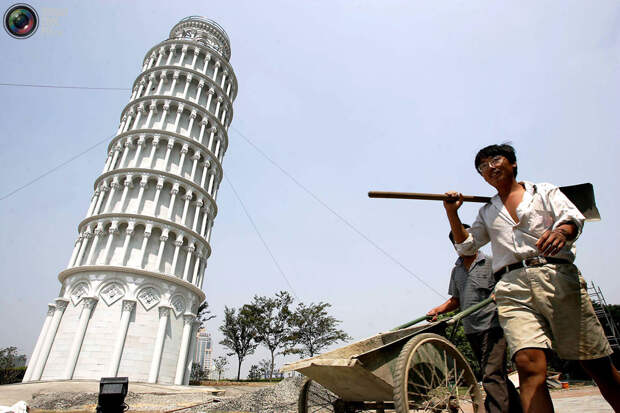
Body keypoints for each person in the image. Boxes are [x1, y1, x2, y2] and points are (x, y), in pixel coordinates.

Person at [443, 143, 620, 412]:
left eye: (495, 160)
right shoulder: (487, 211)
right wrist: (452, 213)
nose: (489, 168)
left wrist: (562, 232)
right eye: (482, 167)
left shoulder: (543, 191)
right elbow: (467, 246)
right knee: (527, 364)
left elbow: (572, 217)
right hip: (512, 285)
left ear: (512, 163)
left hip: (555, 276)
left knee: (596, 364)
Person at [428, 224, 522, 413]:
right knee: (494, 373)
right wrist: (438, 310)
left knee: (492, 373)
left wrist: (498, 293)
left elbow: (506, 286)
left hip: (493, 327)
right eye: (459, 242)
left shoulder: (491, 262)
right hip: (472, 329)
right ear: (455, 246)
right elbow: (456, 300)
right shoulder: (457, 271)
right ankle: (518, 408)